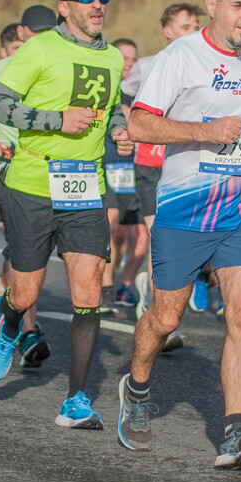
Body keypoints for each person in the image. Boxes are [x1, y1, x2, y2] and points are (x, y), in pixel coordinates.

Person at [115, 0, 241, 469]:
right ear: (213, 5)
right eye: (239, 5)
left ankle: (234, 432)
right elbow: (139, 124)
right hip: (184, 208)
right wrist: (204, 131)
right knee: (165, 316)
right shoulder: (181, 56)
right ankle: (136, 388)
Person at [0, 0, 133, 430]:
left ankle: (76, 401)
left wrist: (120, 131)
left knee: (87, 292)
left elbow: (108, 113)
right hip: (31, 184)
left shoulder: (111, 58)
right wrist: (54, 120)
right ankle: (8, 321)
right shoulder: (40, 47)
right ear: (65, 7)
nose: (97, 4)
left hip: (85, 186)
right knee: (26, 291)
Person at [0, 7, 56, 369]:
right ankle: (25, 325)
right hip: (5, 165)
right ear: (21, 34)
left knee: (26, 249)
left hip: (43, 167)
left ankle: (7, 303)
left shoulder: (61, 63)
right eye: (33, 33)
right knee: (21, 247)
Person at [120, 1, 203, 335]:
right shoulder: (147, 64)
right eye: (186, 27)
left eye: (197, 26)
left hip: (185, 166)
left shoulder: (206, 66)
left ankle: (157, 302)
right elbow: (121, 96)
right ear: (168, 31)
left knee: (180, 242)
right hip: (151, 164)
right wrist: (127, 120)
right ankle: (158, 313)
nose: (193, 32)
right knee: (161, 239)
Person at [101, 37, 146, 314]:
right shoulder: (105, 89)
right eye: (124, 57)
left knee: (140, 236)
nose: (128, 63)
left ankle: (125, 285)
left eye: (133, 59)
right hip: (108, 166)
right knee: (114, 229)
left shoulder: (143, 93)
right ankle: (105, 287)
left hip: (137, 169)